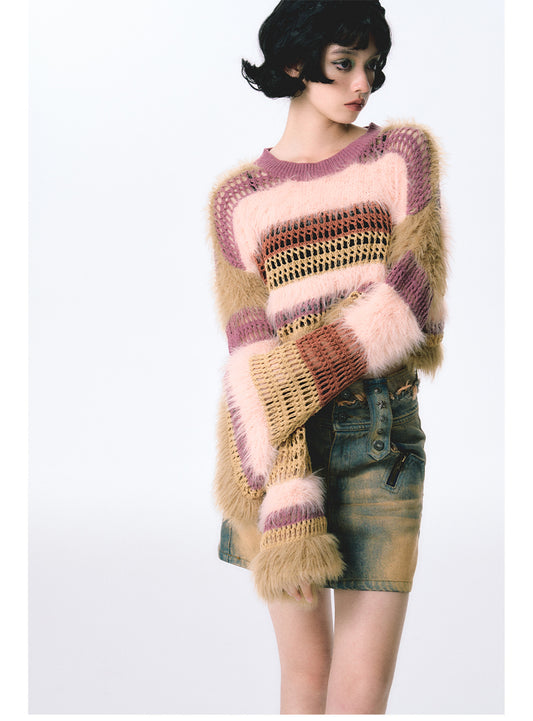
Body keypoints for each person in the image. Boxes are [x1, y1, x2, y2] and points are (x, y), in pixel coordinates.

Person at [208, 0, 448, 713]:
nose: (361, 84)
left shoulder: (398, 156)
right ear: (294, 63)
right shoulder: (238, 200)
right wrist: (276, 404)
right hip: (279, 450)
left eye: (371, 65)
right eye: (343, 64)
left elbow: (416, 297)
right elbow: (247, 346)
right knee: (304, 680)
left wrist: (291, 377)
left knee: (359, 692)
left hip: (379, 436)